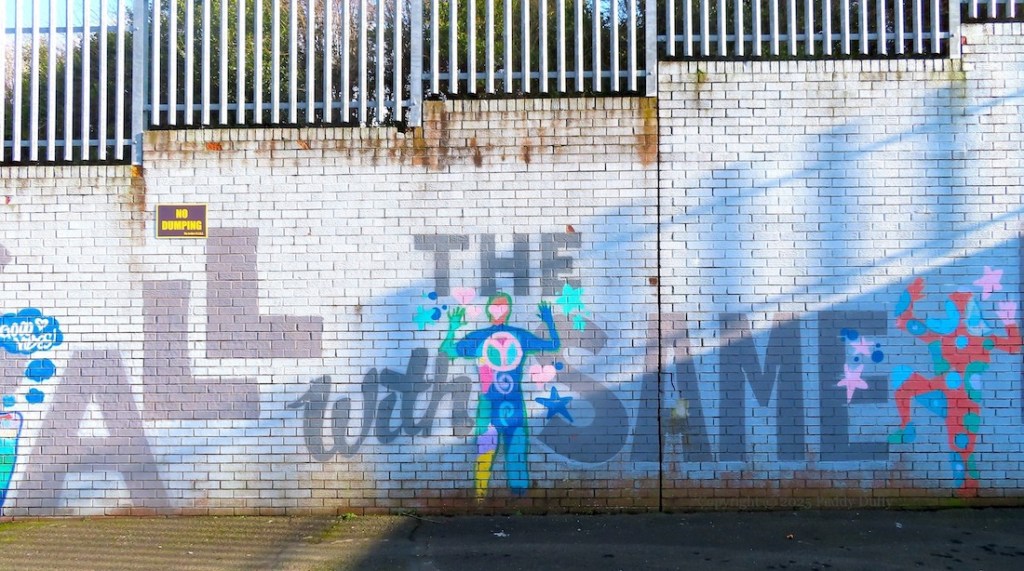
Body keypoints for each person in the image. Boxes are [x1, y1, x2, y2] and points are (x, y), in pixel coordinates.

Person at [441, 293, 560, 498]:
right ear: (488, 309)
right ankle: (480, 497)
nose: (499, 310)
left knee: (517, 452)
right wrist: (452, 327)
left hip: (513, 405)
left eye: (503, 306)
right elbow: (448, 351)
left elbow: (553, 345)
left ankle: (519, 497)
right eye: (495, 306)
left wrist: (549, 321)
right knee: (485, 454)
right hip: (489, 406)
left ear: (509, 309)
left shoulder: (518, 336)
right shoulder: (480, 338)